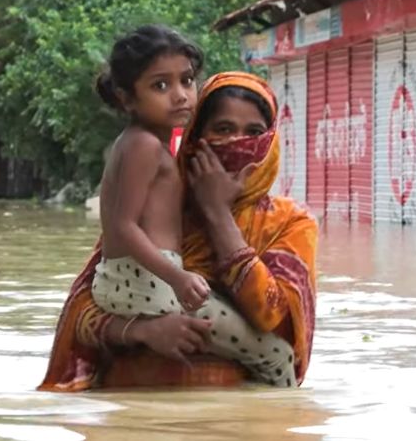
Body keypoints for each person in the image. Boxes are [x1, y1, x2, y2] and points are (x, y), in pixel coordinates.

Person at [39, 71, 318, 391]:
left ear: (270, 140)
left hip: (237, 411)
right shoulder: (156, 204)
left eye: (253, 132)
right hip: (137, 401)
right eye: (223, 129)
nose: (236, 142)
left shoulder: (290, 223)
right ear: (196, 136)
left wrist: (218, 215)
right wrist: (143, 331)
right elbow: (83, 315)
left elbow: (275, 320)